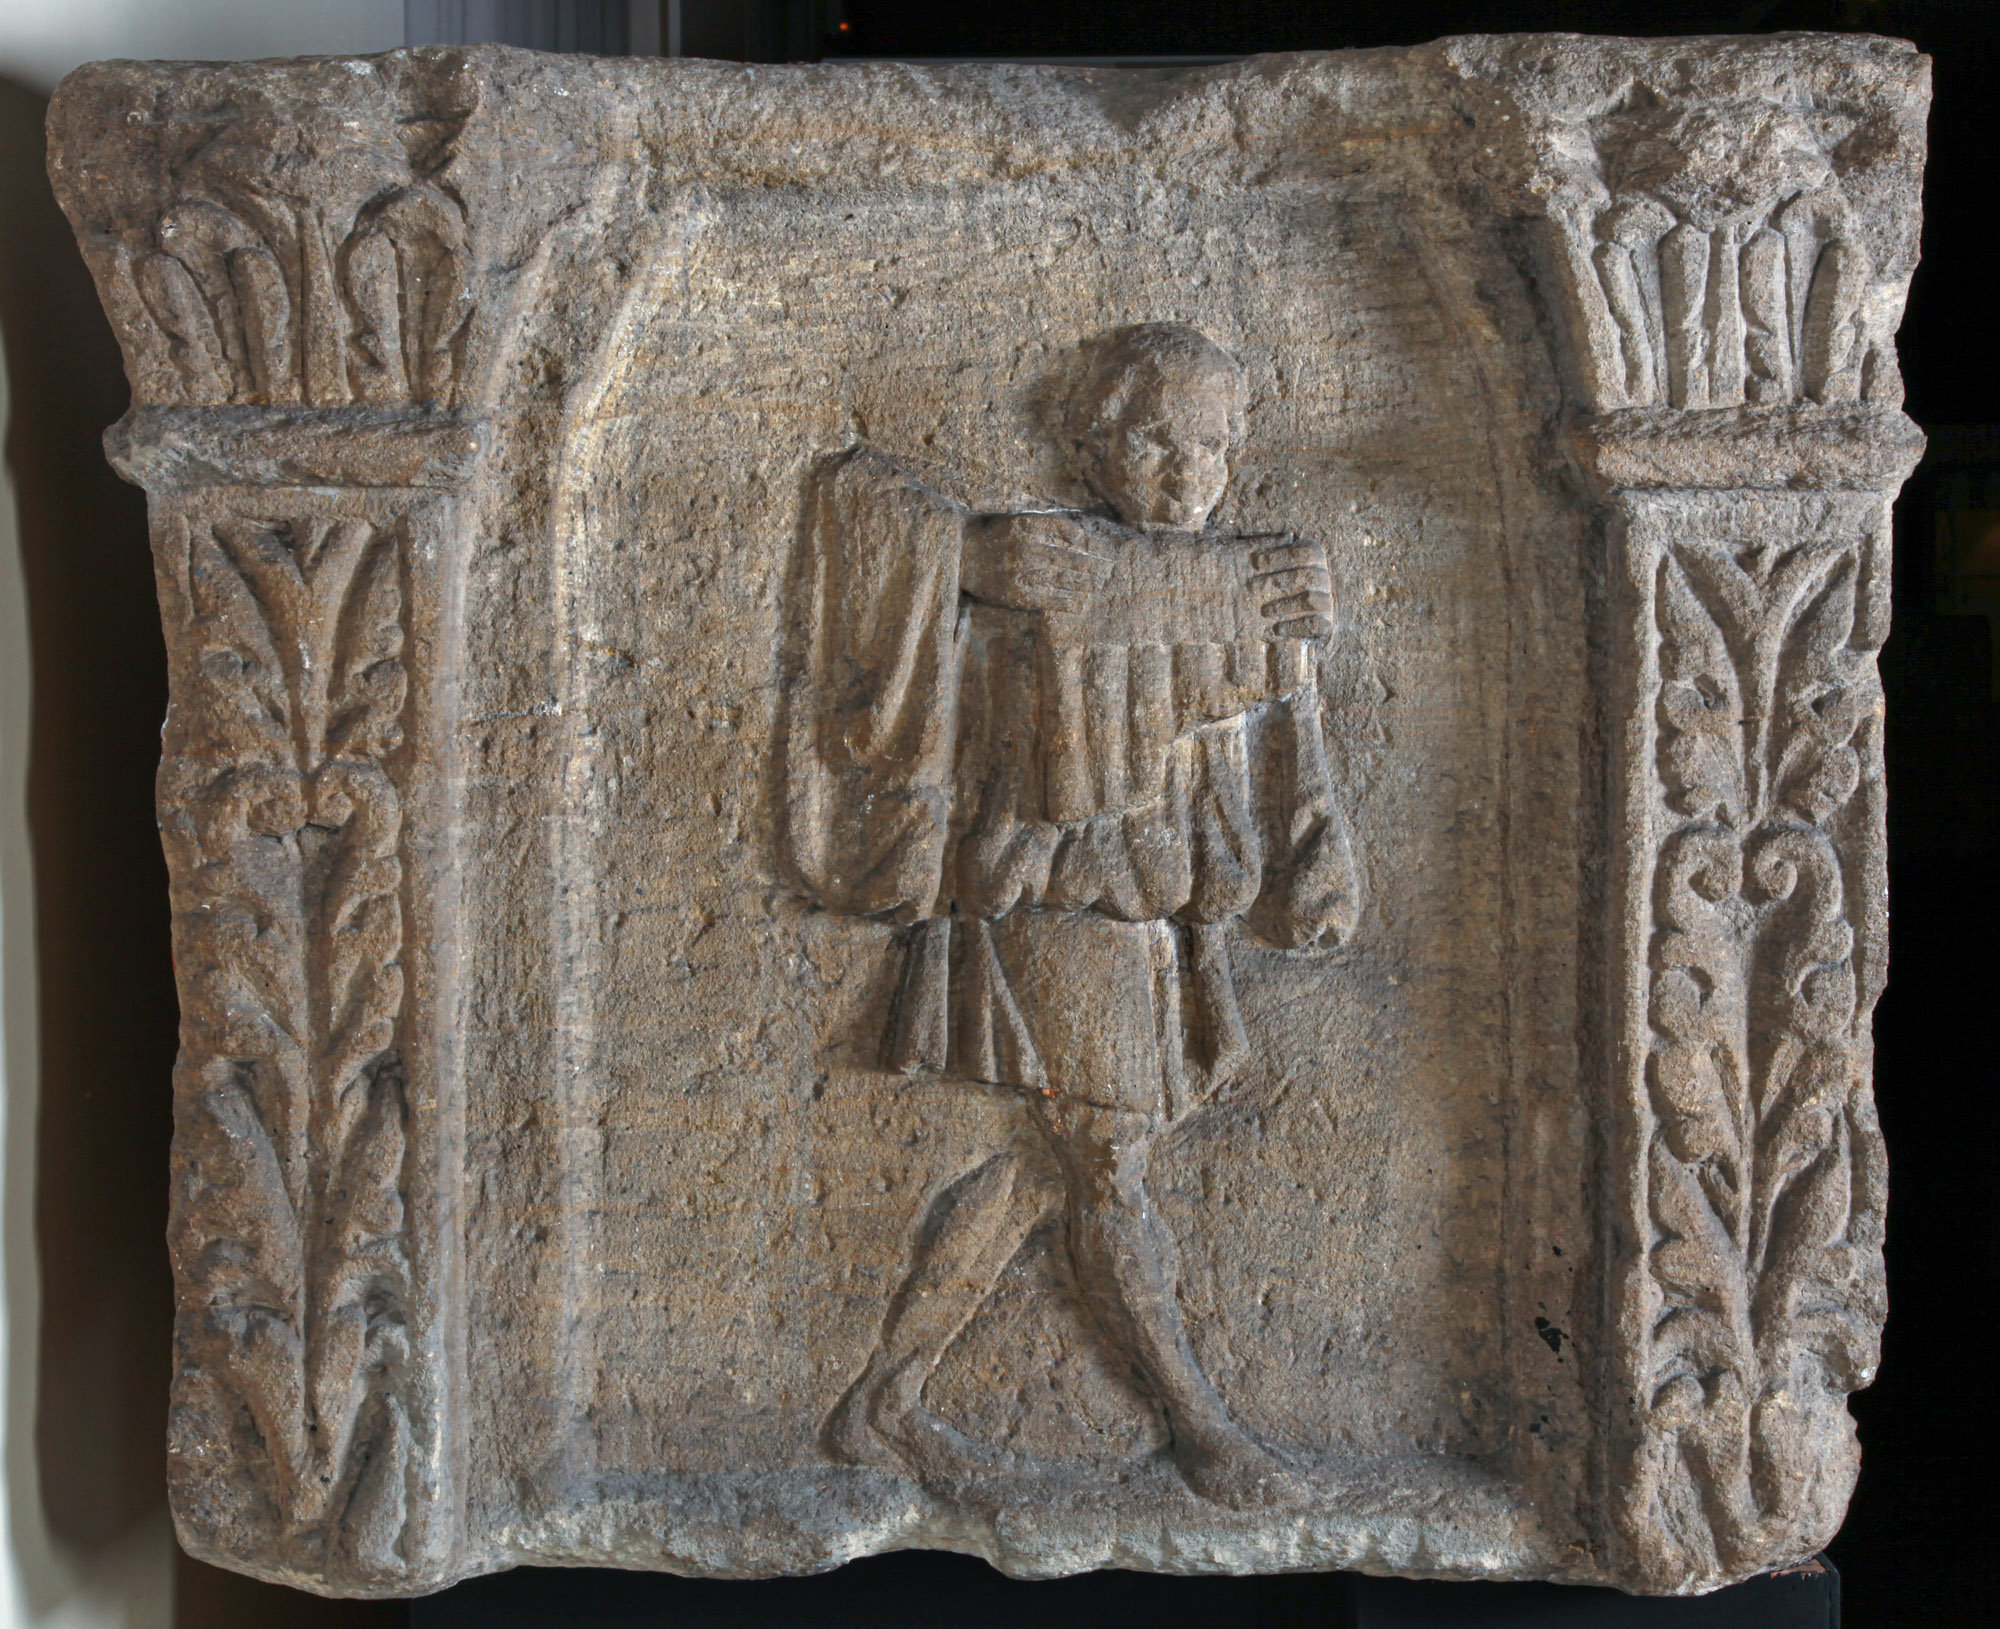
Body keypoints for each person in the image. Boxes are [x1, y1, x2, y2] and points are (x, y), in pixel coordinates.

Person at [784, 324, 1358, 1507]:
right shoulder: (1037, 559)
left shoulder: (1245, 581)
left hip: (1161, 909)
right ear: (1087, 445)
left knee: (1041, 1170)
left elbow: (1283, 739)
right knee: (1104, 1162)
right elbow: (847, 493)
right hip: (1055, 894)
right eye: (1152, 442)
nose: (1184, 475)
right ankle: (1203, 1432)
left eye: (1210, 448)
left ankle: (880, 1401)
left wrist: (1313, 845)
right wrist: (957, 558)